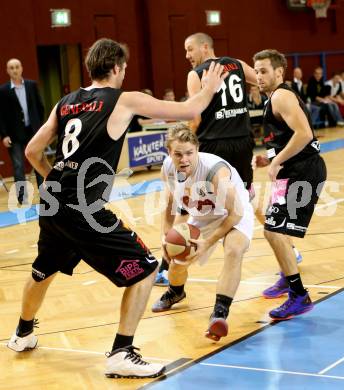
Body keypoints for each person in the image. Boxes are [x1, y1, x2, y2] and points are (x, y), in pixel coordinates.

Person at [7, 38, 226, 378]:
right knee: (147, 268)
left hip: (52, 199)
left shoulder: (65, 103)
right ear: (115, 68)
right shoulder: (124, 99)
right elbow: (189, 110)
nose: (124, 73)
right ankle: (122, 352)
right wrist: (209, 88)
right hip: (83, 207)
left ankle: (21, 334)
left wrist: (59, 181)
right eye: (123, 68)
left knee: (43, 269)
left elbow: (32, 151)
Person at [154, 32, 257, 287]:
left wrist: (187, 143)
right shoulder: (237, 64)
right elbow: (260, 82)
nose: (187, 56)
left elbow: (195, 115)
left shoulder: (196, 74)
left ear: (205, 47)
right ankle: (286, 245)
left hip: (213, 146)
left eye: (190, 49)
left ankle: (165, 265)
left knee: (184, 203)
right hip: (242, 141)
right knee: (245, 197)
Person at [151, 124, 254, 342]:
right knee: (177, 260)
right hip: (203, 213)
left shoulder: (215, 171)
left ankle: (219, 313)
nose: (184, 159)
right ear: (169, 153)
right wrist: (165, 235)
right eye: (178, 153)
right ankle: (176, 291)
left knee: (234, 250)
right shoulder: (168, 168)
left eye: (189, 153)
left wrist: (208, 241)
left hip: (234, 211)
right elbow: (169, 203)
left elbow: (235, 214)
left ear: (197, 149)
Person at [253, 49, 327, 320]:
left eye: (264, 71)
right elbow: (285, 140)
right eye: (257, 71)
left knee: (273, 231)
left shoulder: (282, 95)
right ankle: (287, 276)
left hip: (303, 171)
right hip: (291, 170)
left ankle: (299, 295)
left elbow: (305, 135)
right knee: (275, 229)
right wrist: (269, 158)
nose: (259, 76)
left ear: (279, 72)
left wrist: (276, 162)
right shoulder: (273, 97)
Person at [0, 58, 44, 204]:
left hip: (33, 131)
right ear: (7, 71)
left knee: (38, 162)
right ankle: (21, 197)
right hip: (14, 134)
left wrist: (40, 129)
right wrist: (4, 135)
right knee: (18, 165)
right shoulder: (3, 90)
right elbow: (1, 116)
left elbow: (40, 107)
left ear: (21, 68)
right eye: (11, 68)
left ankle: (45, 194)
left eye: (17, 67)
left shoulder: (32, 85)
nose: (15, 70)